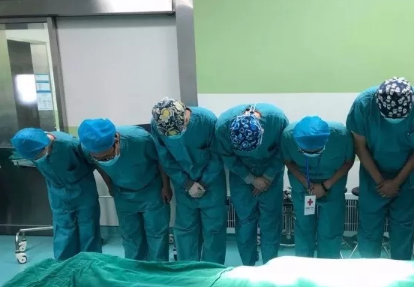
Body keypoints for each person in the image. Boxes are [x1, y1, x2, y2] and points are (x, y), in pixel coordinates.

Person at [346, 77, 414, 260]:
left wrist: (396, 182)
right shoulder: (363, 104)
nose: (393, 122)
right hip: (373, 175)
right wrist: (381, 181)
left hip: (406, 176)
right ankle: (368, 272)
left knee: (403, 229)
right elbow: (359, 147)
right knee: (370, 229)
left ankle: (401, 272)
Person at [78, 118, 171, 262]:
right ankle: (133, 267)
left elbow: (161, 160)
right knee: (130, 235)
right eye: (100, 158)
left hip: (151, 190)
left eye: (107, 156)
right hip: (122, 193)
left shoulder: (140, 139)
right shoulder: (86, 148)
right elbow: (99, 166)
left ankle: (158, 268)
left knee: (157, 233)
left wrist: (166, 186)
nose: (105, 160)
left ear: (115, 140)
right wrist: (109, 185)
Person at [150, 98, 227, 264]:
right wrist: (187, 183)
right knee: (185, 230)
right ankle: (187, 269)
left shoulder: (207, 121)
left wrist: (204, 182)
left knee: (213, 230)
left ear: (185, 113)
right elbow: (165, 157)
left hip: (212, 183)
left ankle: (211, 270)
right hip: (182, 182)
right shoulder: (158, 125)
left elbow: (217, 155)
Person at [11, 128, 102, 260]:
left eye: (38, 155)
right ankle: (63, 266)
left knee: (88, 230)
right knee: (63, 230)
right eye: (34, 158)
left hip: (83, 191)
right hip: (57, 193)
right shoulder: (29, 148)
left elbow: (95, 161)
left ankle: (91, 264)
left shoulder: (70, 145)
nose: (38, 159)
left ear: (45, 144)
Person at [215, 103, 288, 266]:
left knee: (270, 222)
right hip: (241, 173)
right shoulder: (223, 126)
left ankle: (270, 267)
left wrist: (267, 177)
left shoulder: (277, 120)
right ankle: (248, 266)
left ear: (262, 131)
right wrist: (251, 179)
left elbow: (283, 151)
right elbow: (227, 156)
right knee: (245, 221)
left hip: (270, 172)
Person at [281, 116, 354, 258]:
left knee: (330, 229)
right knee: (304, 229)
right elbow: (288, 161)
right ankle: (304, 265)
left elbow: (348, 161)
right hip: (303, 185)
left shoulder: (341, 135)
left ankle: (327, 266)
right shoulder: (288, 136)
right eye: (306, 152)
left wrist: (326, 186)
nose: (311, 155)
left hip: (332, 184)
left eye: (316, 151)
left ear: (326, 142)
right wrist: (307, 184)